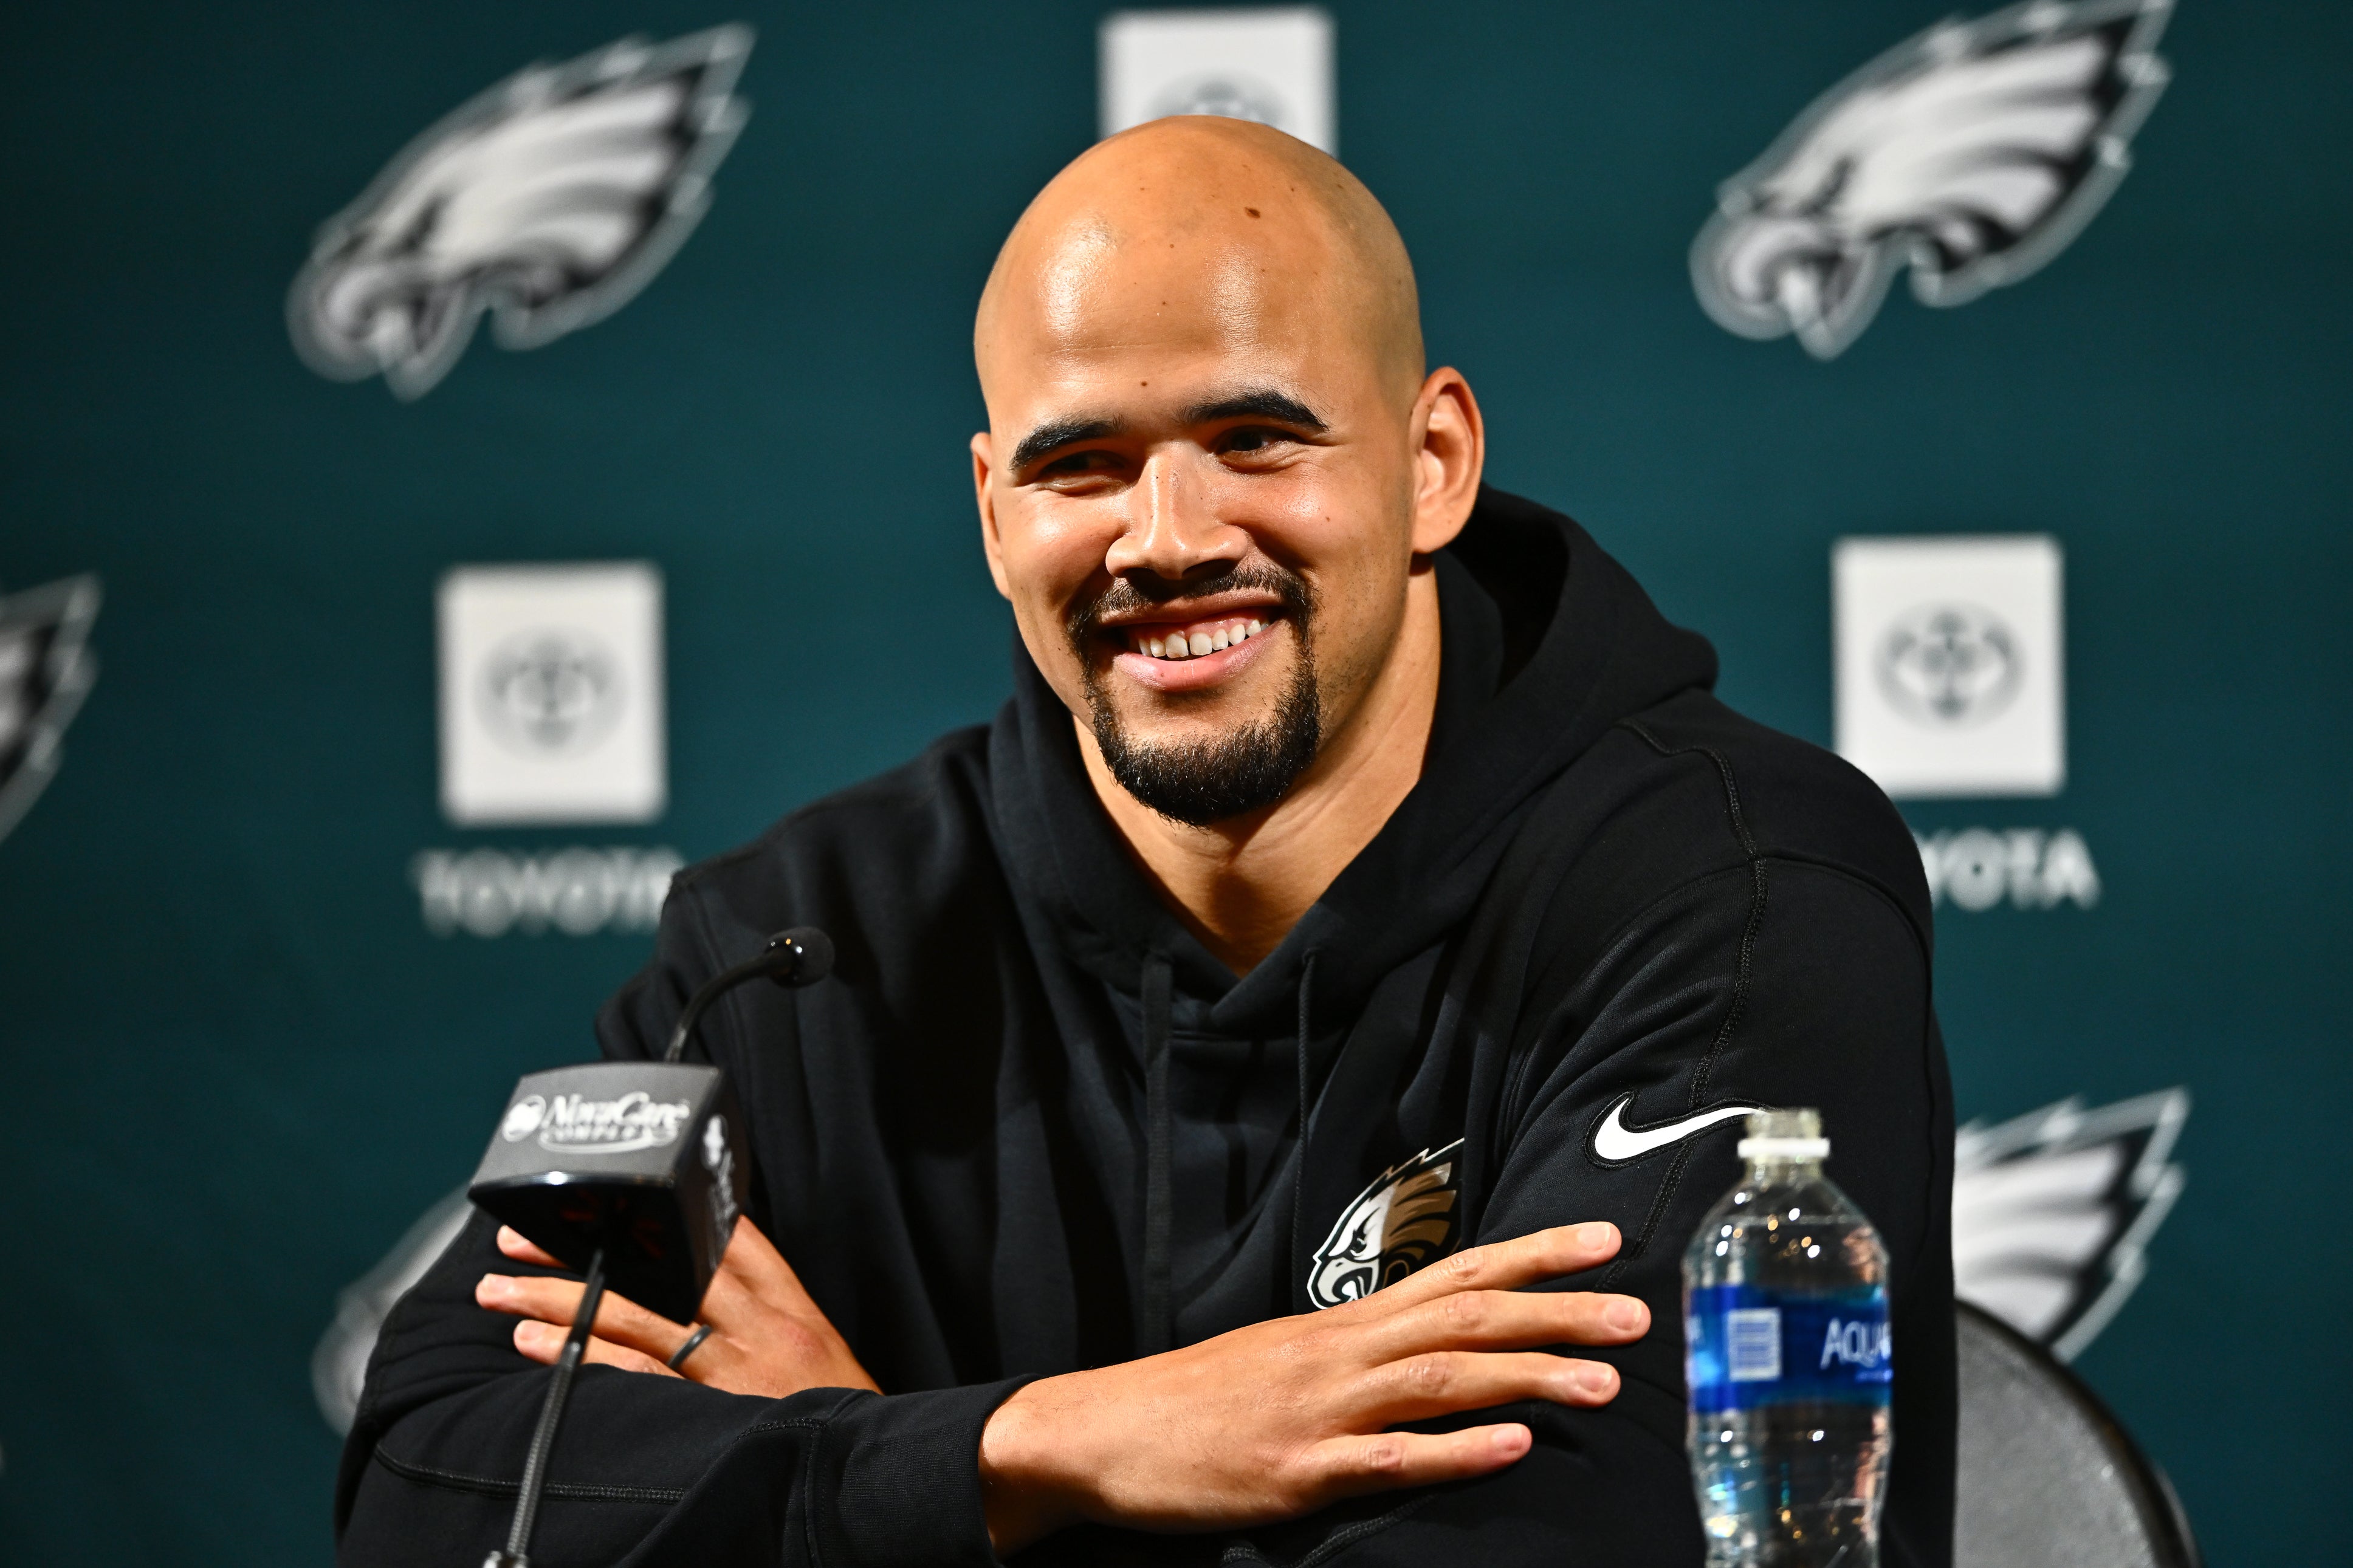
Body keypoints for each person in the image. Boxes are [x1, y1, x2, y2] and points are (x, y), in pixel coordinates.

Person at [338, 117, 1954, 1567]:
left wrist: (860, 1497)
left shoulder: (1736, 897)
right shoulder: (790, 951)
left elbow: (1588, 1545)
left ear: (1432, 464)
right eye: (1080, 464)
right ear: (993, 514)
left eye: (1257, 440)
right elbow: (435, 1476)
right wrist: (1049, 1447)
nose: (1170, 539)